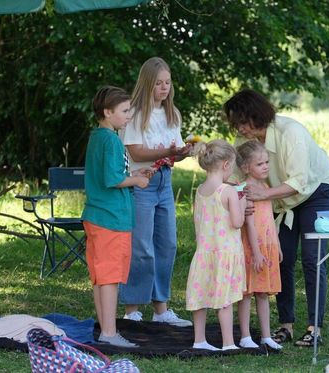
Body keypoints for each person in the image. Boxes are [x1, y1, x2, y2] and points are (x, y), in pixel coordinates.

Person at [223, 89, 329, 348]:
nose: (239, 129)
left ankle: (314, 328)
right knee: (280, 257)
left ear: (256, 116)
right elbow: (233, 175)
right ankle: (285, 325)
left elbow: (298, 181)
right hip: (280, 199)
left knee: (312, 258)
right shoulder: (245, 141)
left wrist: (263, 193)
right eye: (236, 124)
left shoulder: (291, 132)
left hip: (316, 191)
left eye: (242, 122)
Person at [118, 57, 192, 327]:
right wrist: (168, 152)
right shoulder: (135, 113)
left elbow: (173, 155)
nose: (164, 88)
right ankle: (132, 309)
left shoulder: (173, 114)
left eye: (167, 83)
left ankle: (161, 309)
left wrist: (184, 153)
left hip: (164, 182)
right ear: (147, 83)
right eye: (158, 83)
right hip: (142, 183)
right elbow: (135, 151)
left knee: (167, 244)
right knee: (141, 247)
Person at [82, 85, 152, 347]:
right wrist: (137, 180)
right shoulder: (111, 139)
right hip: (111, 218)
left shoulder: (97, 136)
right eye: (124, 111)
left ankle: (105, 330)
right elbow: (112, 178)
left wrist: (135, 176)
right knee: (110, 277)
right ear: (107, 112)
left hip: (96, 216)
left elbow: (107, 173)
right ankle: (110, 333)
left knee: (101, 277)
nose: (129, 115)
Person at [185, 140, 247, 351]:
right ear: (226, 164)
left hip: (204, 252)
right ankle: (228, 342)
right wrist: (242, 201)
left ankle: (199, 340)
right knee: (225, 299)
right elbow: (237, 222)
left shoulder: (200, 190)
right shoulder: (227, 191)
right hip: (225, 253)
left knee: (200, 297)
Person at [235, 140, 283, 351]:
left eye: (266, 162)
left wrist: (277, 244)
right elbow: (250, 223)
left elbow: (270, 220)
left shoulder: (265, 188)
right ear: (246, 167)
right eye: (259, 164)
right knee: (246, 293)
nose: (265, 166)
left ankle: (265, 335)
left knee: (263, 292)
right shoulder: (245, 190)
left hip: (267, 246)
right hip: (251, 247)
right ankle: (245, 335)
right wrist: (255, 252)